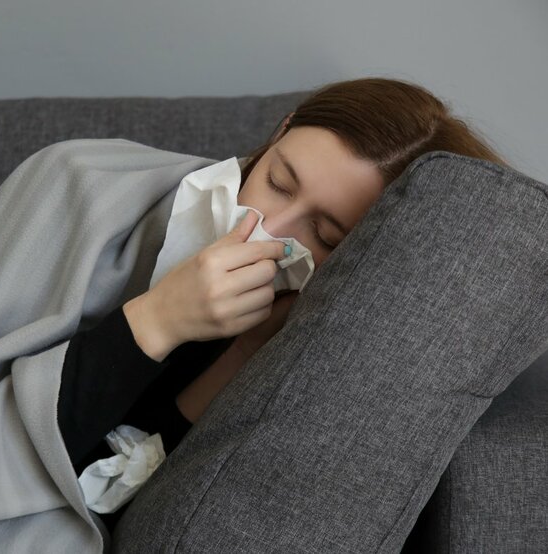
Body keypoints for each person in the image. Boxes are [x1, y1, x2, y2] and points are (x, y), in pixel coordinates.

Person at [56, 76, 510, 531]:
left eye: (326, 235)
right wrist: (159, 318)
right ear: (280, 133)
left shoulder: (312, 332)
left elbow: (107, 490)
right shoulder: (89, 184)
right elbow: (3, 447)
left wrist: (243, 353)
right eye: (277, 182)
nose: (268, 227)